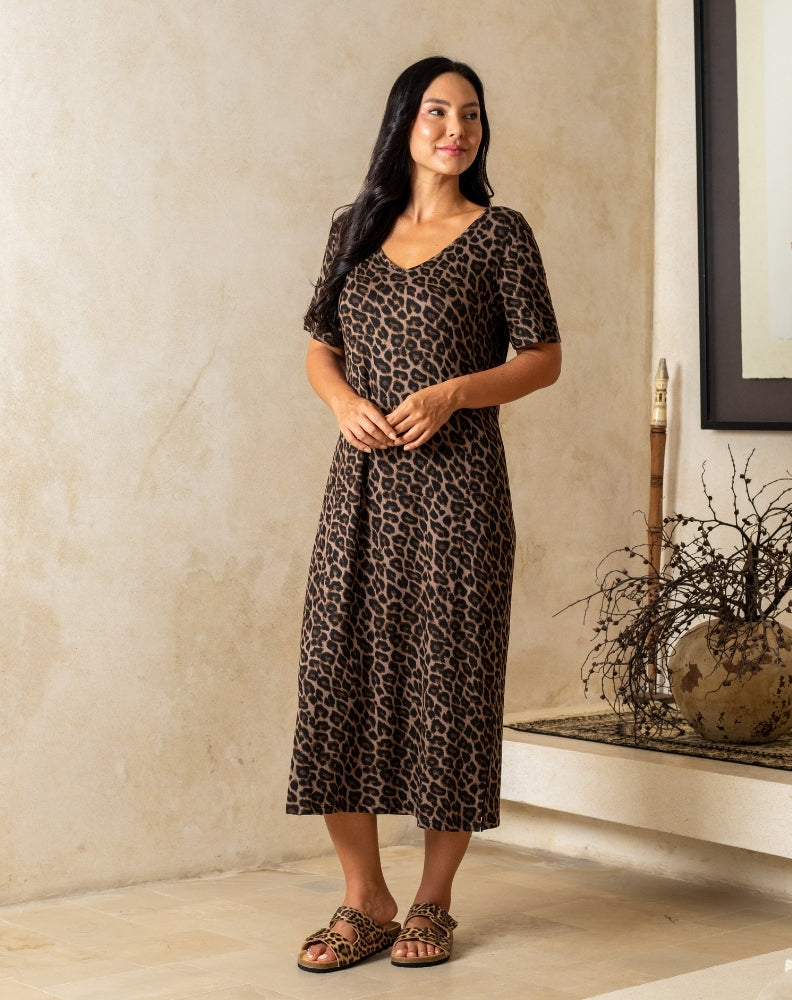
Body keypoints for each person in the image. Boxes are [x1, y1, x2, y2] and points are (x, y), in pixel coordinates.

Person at [286, 55, 561, 973]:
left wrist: (454, 393)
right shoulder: (354, 228)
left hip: (459, 494)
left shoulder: (500, 234)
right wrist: (340, 403)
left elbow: (543, 356)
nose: (456, 129)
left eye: (471, 115)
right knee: (336, 677)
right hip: (361, 492)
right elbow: (320, 345)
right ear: (404, 122)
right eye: (438, 112)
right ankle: (364, 898)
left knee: (452, 685)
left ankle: (433, 901)